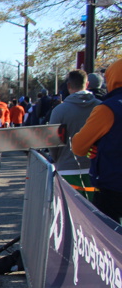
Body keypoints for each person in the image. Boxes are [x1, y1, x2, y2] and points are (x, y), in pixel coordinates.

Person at [71, 59, 122, 222]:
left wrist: (95, 146)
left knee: (108, 234)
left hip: (113, 188)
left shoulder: (108, 109)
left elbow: (79, 146)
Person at [50, 70, 99, 171]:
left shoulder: (59, 110)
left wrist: (56, 159)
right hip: (96, 166)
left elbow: (53, 142)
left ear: (68, 85)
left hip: (67, 166)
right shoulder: (101, 107)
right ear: (87, 84)